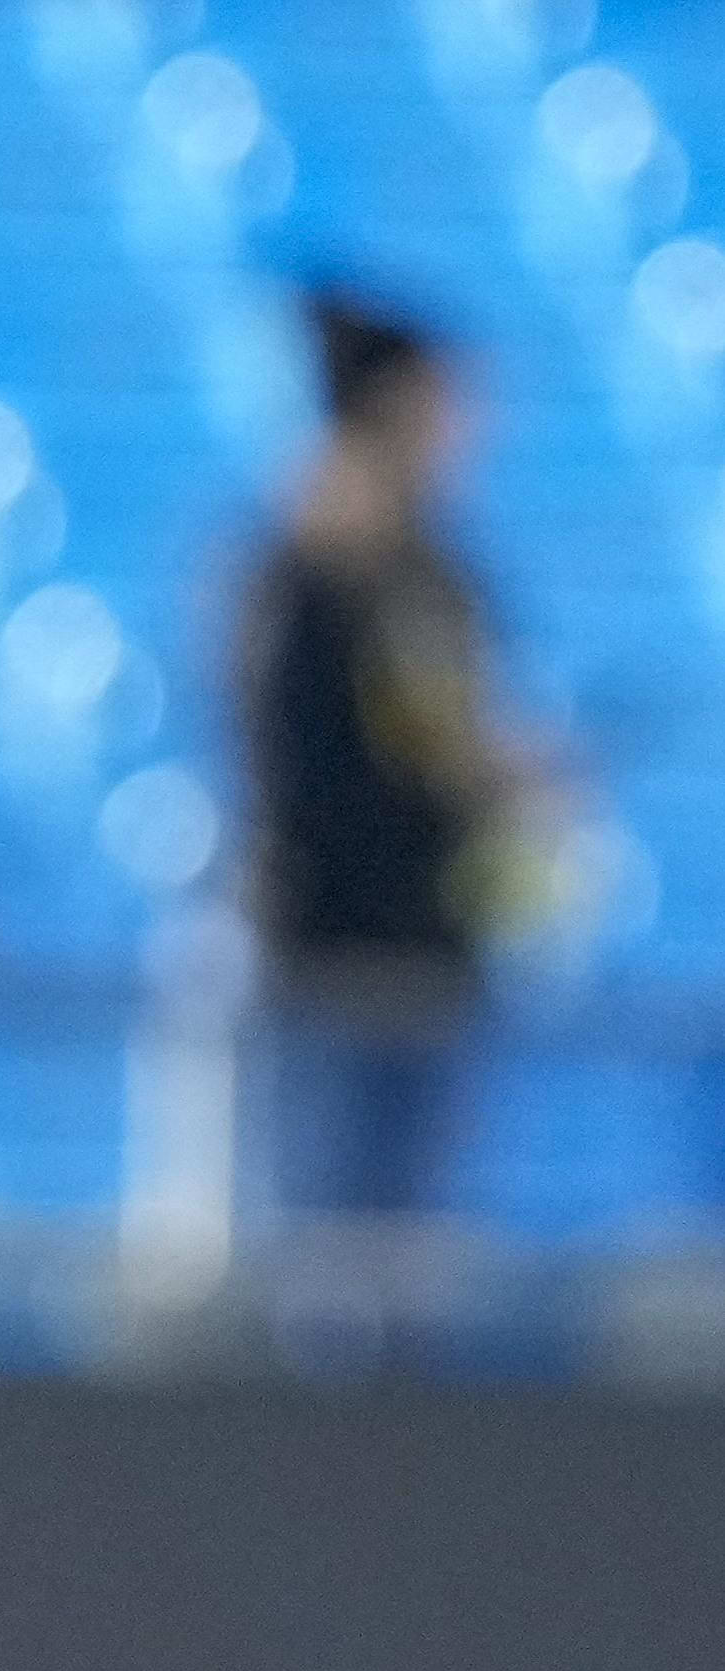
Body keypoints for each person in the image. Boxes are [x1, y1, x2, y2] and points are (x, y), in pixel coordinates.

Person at [237, 290, 540, 1229]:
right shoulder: (303, 579)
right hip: (330, 955)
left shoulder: (441, 580)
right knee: (322, 1247)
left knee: (416, 1253)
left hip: (433, 953)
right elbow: (301, 773)